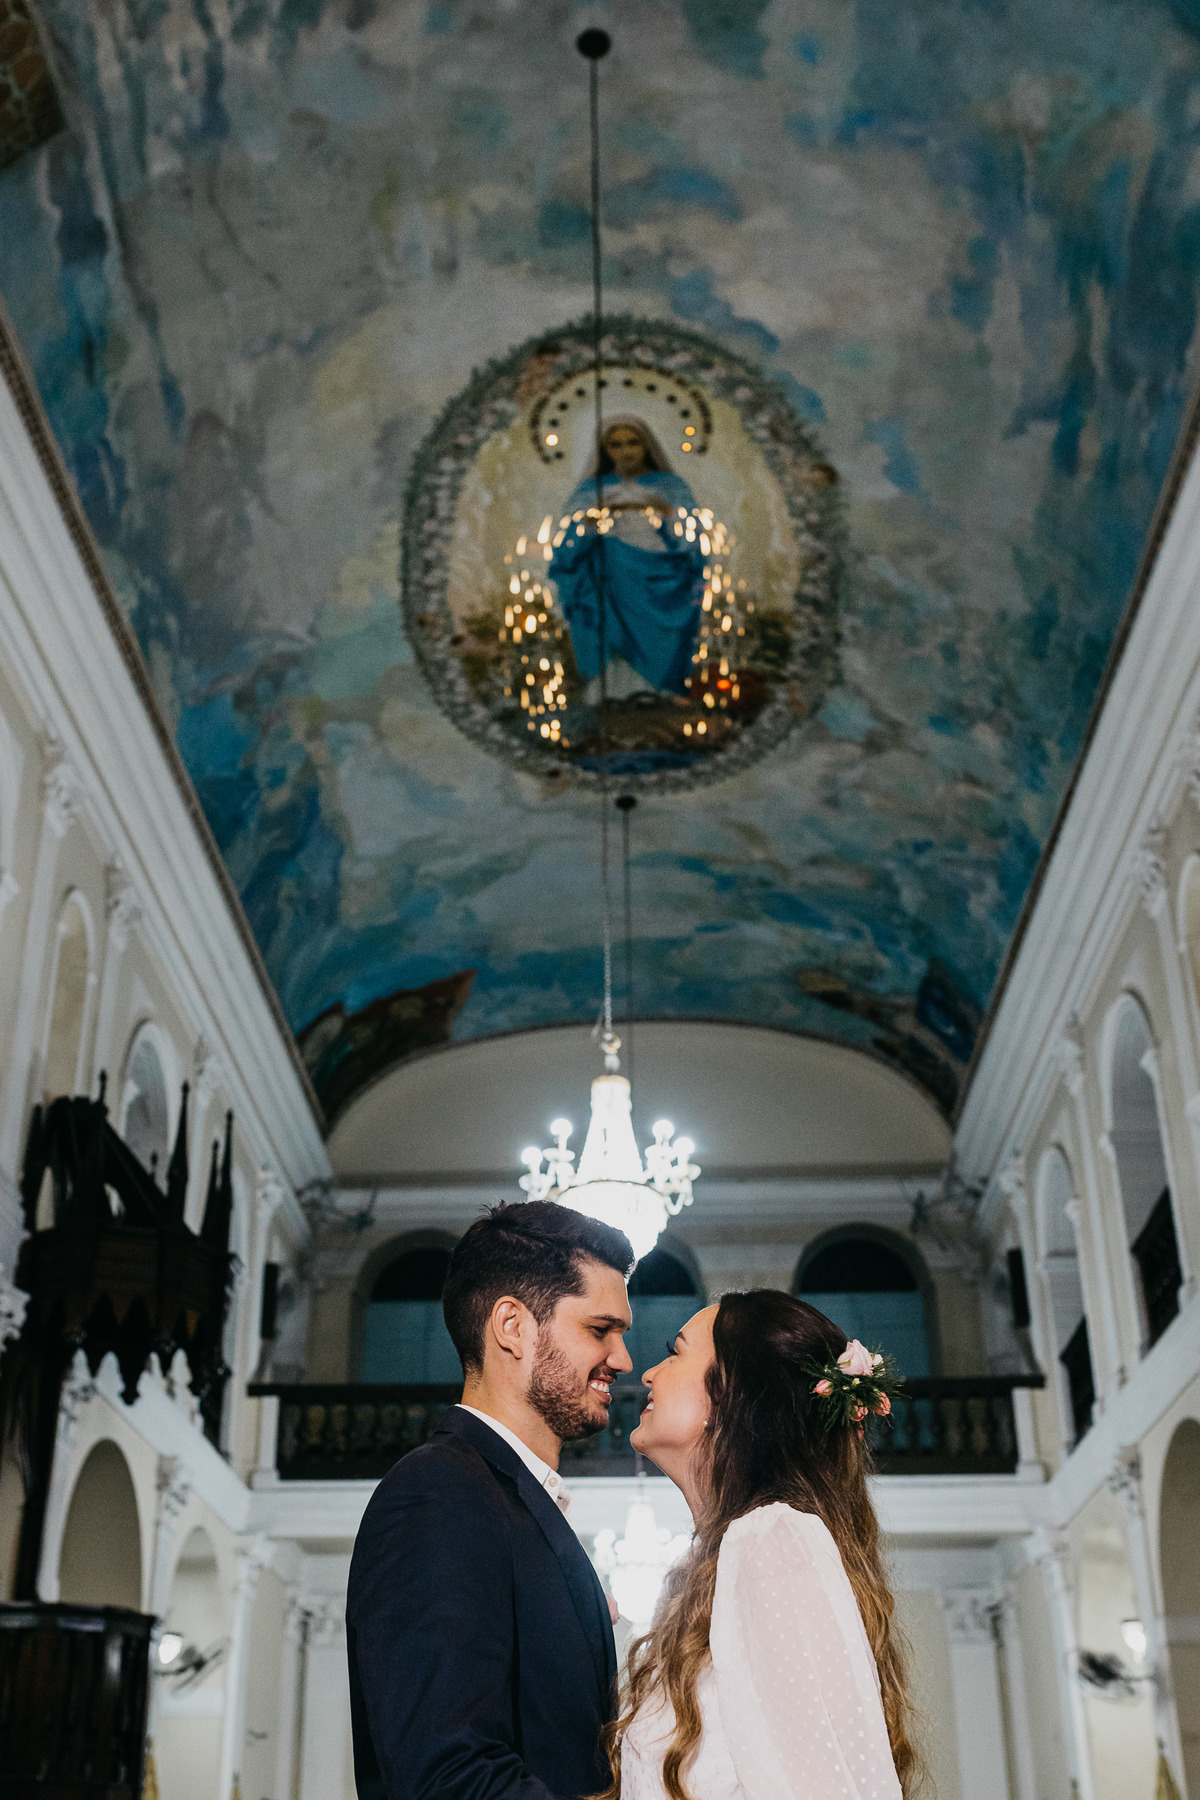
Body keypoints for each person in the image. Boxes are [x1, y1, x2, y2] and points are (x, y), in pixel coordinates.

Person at [346, 1200, 636, 1800]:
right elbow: (449, 1776)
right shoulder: (440, 1494)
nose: (622, 1361)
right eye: (599, 1330)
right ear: (512, 1327)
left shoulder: (510, 1498)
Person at [609, 1289, 917, 1800]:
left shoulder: (772, 1541)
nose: (648, 1374)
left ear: (730, 1394)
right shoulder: (710, 1569)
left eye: (676, 1351)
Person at [549, 417, 706, 699]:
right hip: (609, 573)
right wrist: (591, 520)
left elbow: (692, 539)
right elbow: (567, 540)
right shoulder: (591, 489)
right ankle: (610, 699)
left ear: (647, 445)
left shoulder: (670, 486)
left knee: (661, 640)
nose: (626, 451)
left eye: (633, 442)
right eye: (615, 445)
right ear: (605, 450)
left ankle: (660, 696)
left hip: (661, 574)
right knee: (611, 636)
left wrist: (666, 512)